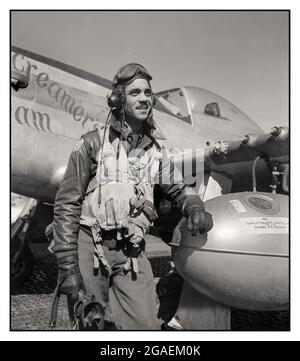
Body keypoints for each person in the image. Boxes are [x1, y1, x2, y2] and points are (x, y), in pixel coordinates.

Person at [51, 63, 213, 330]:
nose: (144, 99)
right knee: (91, 326)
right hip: (91, 247)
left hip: (131, 253)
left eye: (148, 93)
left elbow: (180, 189)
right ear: (118, 99)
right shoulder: (91, 143)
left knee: (146, 326)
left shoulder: (155, 151)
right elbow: (66, 204)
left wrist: (195, 207)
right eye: (135, 92)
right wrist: (67, 267)